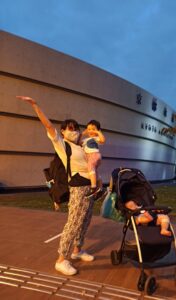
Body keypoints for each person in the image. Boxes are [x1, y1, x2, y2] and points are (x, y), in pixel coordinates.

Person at [16, 96, 95, 276]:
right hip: (77, 188)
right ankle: (62, 260)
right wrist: (36, 105)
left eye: (76, 128)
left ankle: (77, 250)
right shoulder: (62, 144)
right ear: (63, 131)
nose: (73, 131)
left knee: (85, 221)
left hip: (89, 189)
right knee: (73, 223)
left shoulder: (81, 145)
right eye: (70, 128)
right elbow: (49, 126)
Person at [80, 120, 105, 198]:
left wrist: (98, 132)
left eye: (93, 129)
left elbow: (103, 140)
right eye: (89, 129)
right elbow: (77, 142)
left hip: (94, 155)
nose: (91, 131)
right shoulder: (85, 140)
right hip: (90, 157)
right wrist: (82, 134)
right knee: (94, 172)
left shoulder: (96, 138)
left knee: (90, 167)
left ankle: (93, 187)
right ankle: (100, 188)